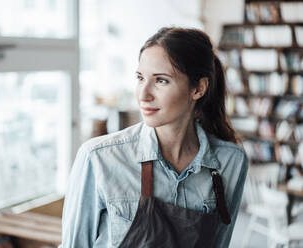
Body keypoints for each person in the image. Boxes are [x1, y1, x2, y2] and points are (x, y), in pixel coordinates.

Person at [59, 27, 249, 248]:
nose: (143, 94)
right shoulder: (98, 158)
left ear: (198, 88)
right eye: (140, 78)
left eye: (161, 81)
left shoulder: (231, 161)